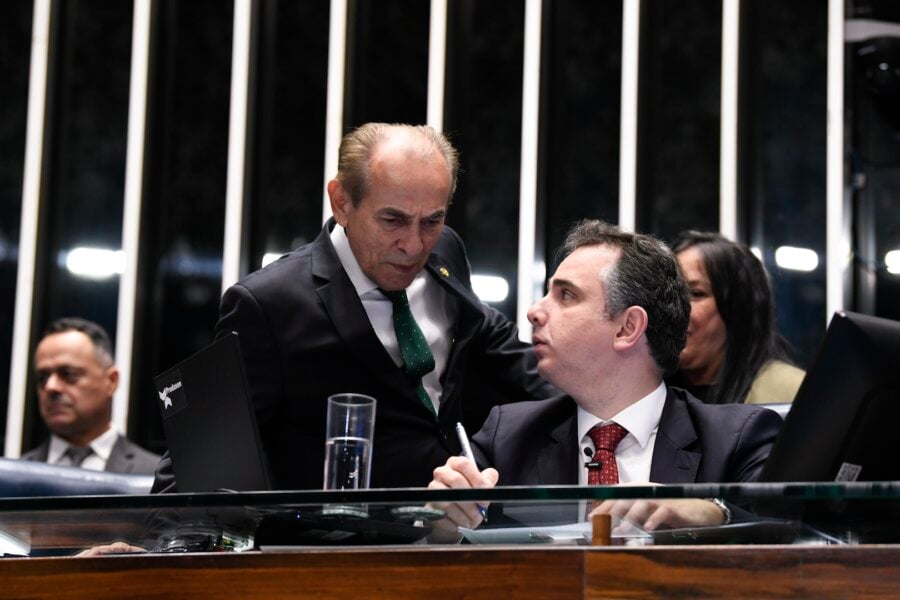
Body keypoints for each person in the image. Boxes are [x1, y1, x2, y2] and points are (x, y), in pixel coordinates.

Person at [152, 122, 554, 492]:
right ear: (341, 202)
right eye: (393, 220)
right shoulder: (268, 303)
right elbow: (205, 455)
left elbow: (496, 345)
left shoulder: (446, 249)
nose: (414, 245)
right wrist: (159, 552)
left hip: (452, 524)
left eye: (431, 221)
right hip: (336, 547)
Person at [429, 220, 783, 532]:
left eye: (566, 295)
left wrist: (712, 511)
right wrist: (443, 527)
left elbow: (787, 529)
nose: (534, 311)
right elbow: (459, 545)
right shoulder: (507, 436)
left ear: (628, 328)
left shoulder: (737, 438)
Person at [668, 231, 805, 405]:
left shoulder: (791, 393)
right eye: (670, 293)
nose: (674, 308)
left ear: (738, 308)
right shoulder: (645, 395)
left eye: (696, 293)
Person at [22, 317, 160, 474]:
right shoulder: (11, 479)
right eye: (43, 378)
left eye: (68, 374)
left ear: (111, 381)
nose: (51, 387)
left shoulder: (154, 476)